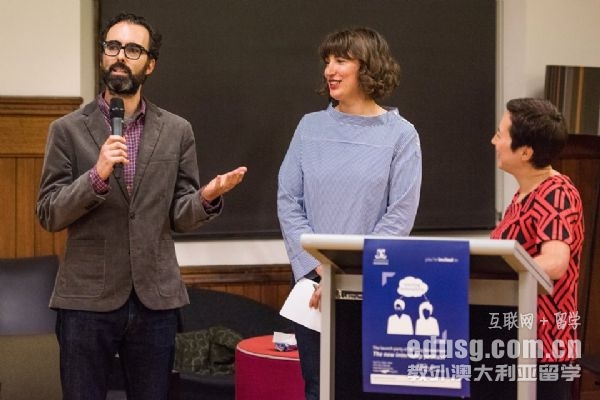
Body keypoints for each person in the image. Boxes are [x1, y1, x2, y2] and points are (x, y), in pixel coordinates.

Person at [36, 13, 247, 400]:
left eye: (133, 49)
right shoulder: (66, 130)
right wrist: (96, 175)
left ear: (150, 65)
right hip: (86, 299)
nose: (120, 56)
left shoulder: (177, 130)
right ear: (102, 56)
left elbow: (179, 215)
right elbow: (49, 212)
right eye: (113, 46)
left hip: (155, 299)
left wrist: (206, 197)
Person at [277, 27, 422, 400]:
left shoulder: (401, 134)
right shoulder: (310, 127)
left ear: (368, 67)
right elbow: (289, 200)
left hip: (373, 284)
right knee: (318, 386)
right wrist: (317, 268)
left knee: (368, 387)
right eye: (327, 61)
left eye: (341, 60)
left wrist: (344, 272)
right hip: (312, 284)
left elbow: (399, 216)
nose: (330, 70)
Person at [490, 98, 584, 399]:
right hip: (514, 342)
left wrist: (499, 270)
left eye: (500, 135)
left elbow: (555, 263)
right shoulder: (525, 194)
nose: (493, 142)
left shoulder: (557, 193)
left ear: (526, 152)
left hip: (543, 349)